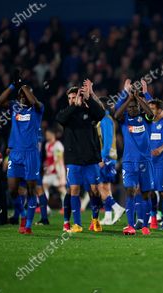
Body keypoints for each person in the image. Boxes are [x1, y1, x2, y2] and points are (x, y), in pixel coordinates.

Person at [0, 71, 44, 234]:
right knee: (12, 189)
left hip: (31, 154)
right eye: (20, 95)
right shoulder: (15, 107)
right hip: (15, 153)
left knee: (31, 190)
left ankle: (28, 224)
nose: (23, 97)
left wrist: (23, 85)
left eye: (25, 95)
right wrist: (13, 86)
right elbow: (0, 100)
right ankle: (23, 214)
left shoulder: (37, 109)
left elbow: (33, 101)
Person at [56, 80, 105, 233]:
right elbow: (60, 119)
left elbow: (101, 114)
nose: (72, 100)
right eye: (69, 98)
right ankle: (77, 224)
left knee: (95, 190)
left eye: (74, 97)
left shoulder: (90, 112)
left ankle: (95, 219)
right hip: (74, 158)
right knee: (74, 189)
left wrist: (89, 96)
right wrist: (73, 106)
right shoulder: (67, 114)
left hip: (90, 158)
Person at [114, 79, 154, 235]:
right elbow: (117, 113)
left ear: (139, 107)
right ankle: (130, 226)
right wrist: (127, 95)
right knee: (130, 190)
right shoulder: (124, 120)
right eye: (129, 107)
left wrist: (140, 97)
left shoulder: (146, 119)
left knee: (145, 193)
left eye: (134, 107)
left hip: (145, 161)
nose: (131, 109)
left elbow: (151, 112)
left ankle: (144, 226)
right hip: (130, 161)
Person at [142, 80, 163, 229]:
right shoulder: (147, 123)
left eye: (153, 109)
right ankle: (153, 218)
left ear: (160, 110)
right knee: (149, 192)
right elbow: (149, 103)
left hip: (161, 163)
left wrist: (159, 150)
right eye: (149, 108)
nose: (150, 110)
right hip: (149, 163)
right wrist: (145, 91)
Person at [95, 96, 125, 226]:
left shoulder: (105, 120)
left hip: (106, 158)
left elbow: (107, 142)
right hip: (109, 158)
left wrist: (102, 157)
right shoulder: (106, 119)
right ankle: (108, 216)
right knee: (106, 187)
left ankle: (117, 208)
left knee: (100, 186)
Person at [42, 128, 66, 215]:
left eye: (48, 134)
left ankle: (66, 206)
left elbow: (59, 159)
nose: (46, 136)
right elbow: (48, 158)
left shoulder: (58, 145)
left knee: (61, 189)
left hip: (58, 170)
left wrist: (55, 169)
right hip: (49, 171)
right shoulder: (47, 144)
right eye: (46, 134)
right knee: (44, 186)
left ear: (53, 135)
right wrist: (46, 166)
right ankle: (45, 207)